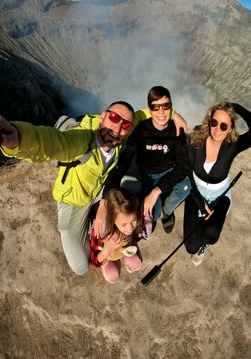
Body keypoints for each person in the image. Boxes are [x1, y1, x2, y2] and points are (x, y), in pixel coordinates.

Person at [0, 102, 134, 276]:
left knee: (130, 188)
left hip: (97, 191)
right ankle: (106, 250)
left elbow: (140, 115)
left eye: (125, 125)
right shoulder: (81, 140)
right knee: (81, 268)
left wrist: (170, 114)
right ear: (103, 116)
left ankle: (111, 243)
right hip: (73, 203)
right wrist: (19, 139)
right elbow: (52, 142)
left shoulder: (117, 140)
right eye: (114, 118)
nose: (117, 127)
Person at [184, 102, 251, 266]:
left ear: (230, 128)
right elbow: (187, 170)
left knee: (211, 235)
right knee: (191, 247)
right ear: (209, 122)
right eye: (214, 123)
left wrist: (235, 107)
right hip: (195, 192)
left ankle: (205, 242)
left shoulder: (232, 146)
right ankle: (200, 232)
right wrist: (199, 201)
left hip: (220, 194)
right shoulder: (195, 140)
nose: (217, 129)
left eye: (224, 125)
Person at [103, 86, 191, 235]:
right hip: (145, 176)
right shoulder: (141, 130)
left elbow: (183, 166)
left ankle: (168, 211)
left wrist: (156, 191)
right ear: (149, 109)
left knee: (186, 187)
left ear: (171, 108)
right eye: (155, 107)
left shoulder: (177, 130)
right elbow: (123, 162)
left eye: (166, 106)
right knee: (149, 214)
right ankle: (157, 212)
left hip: (168, 171)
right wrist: (105, 200)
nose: (161, 112)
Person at [89, 188, 152, 284]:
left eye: (133, 221)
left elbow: (144, 234)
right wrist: (106, 250)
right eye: (124, 224)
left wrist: (147, 220)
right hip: (108, 254)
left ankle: (122, 256)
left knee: (135, 264)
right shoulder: (101, 231)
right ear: (112, 220)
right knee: (113, 276)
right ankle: (114, 262)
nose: (130, 228)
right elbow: (93, 262)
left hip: (126, 247)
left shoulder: (136, 217)